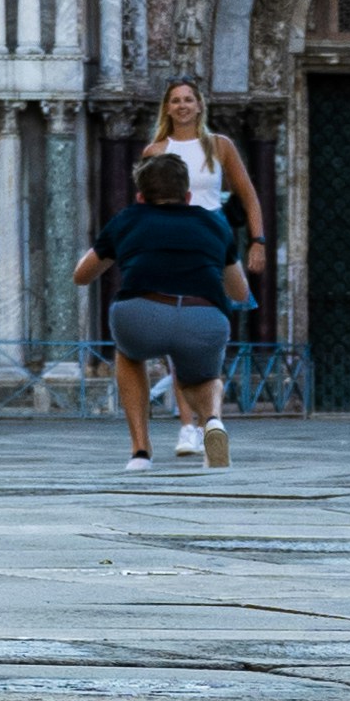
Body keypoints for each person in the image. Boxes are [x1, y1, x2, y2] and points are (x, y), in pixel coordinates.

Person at [82, 132, 239, 468]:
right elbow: (239, 290)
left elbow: (81, 275)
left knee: (128, 356)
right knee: (204, 377)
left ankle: (140, 451)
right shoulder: (214, 224)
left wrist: (122, 250)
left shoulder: (128, 218)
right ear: (187, 194)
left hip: (142, 313)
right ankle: (212, 420)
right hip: (203, 315)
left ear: (140, 196)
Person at [148, 72, 269, 358]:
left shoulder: (219, 145)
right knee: (175, 313)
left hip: (213, 235)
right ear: (167, 108)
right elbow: (148, 205)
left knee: (217, 310)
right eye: (175, 101)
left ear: (200, 105)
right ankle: (182, 388)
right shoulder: (156, 151)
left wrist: (258, 241)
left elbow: (248, 195)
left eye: (188, 99)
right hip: (173, 237)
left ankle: (203, 380)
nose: (182, 105)